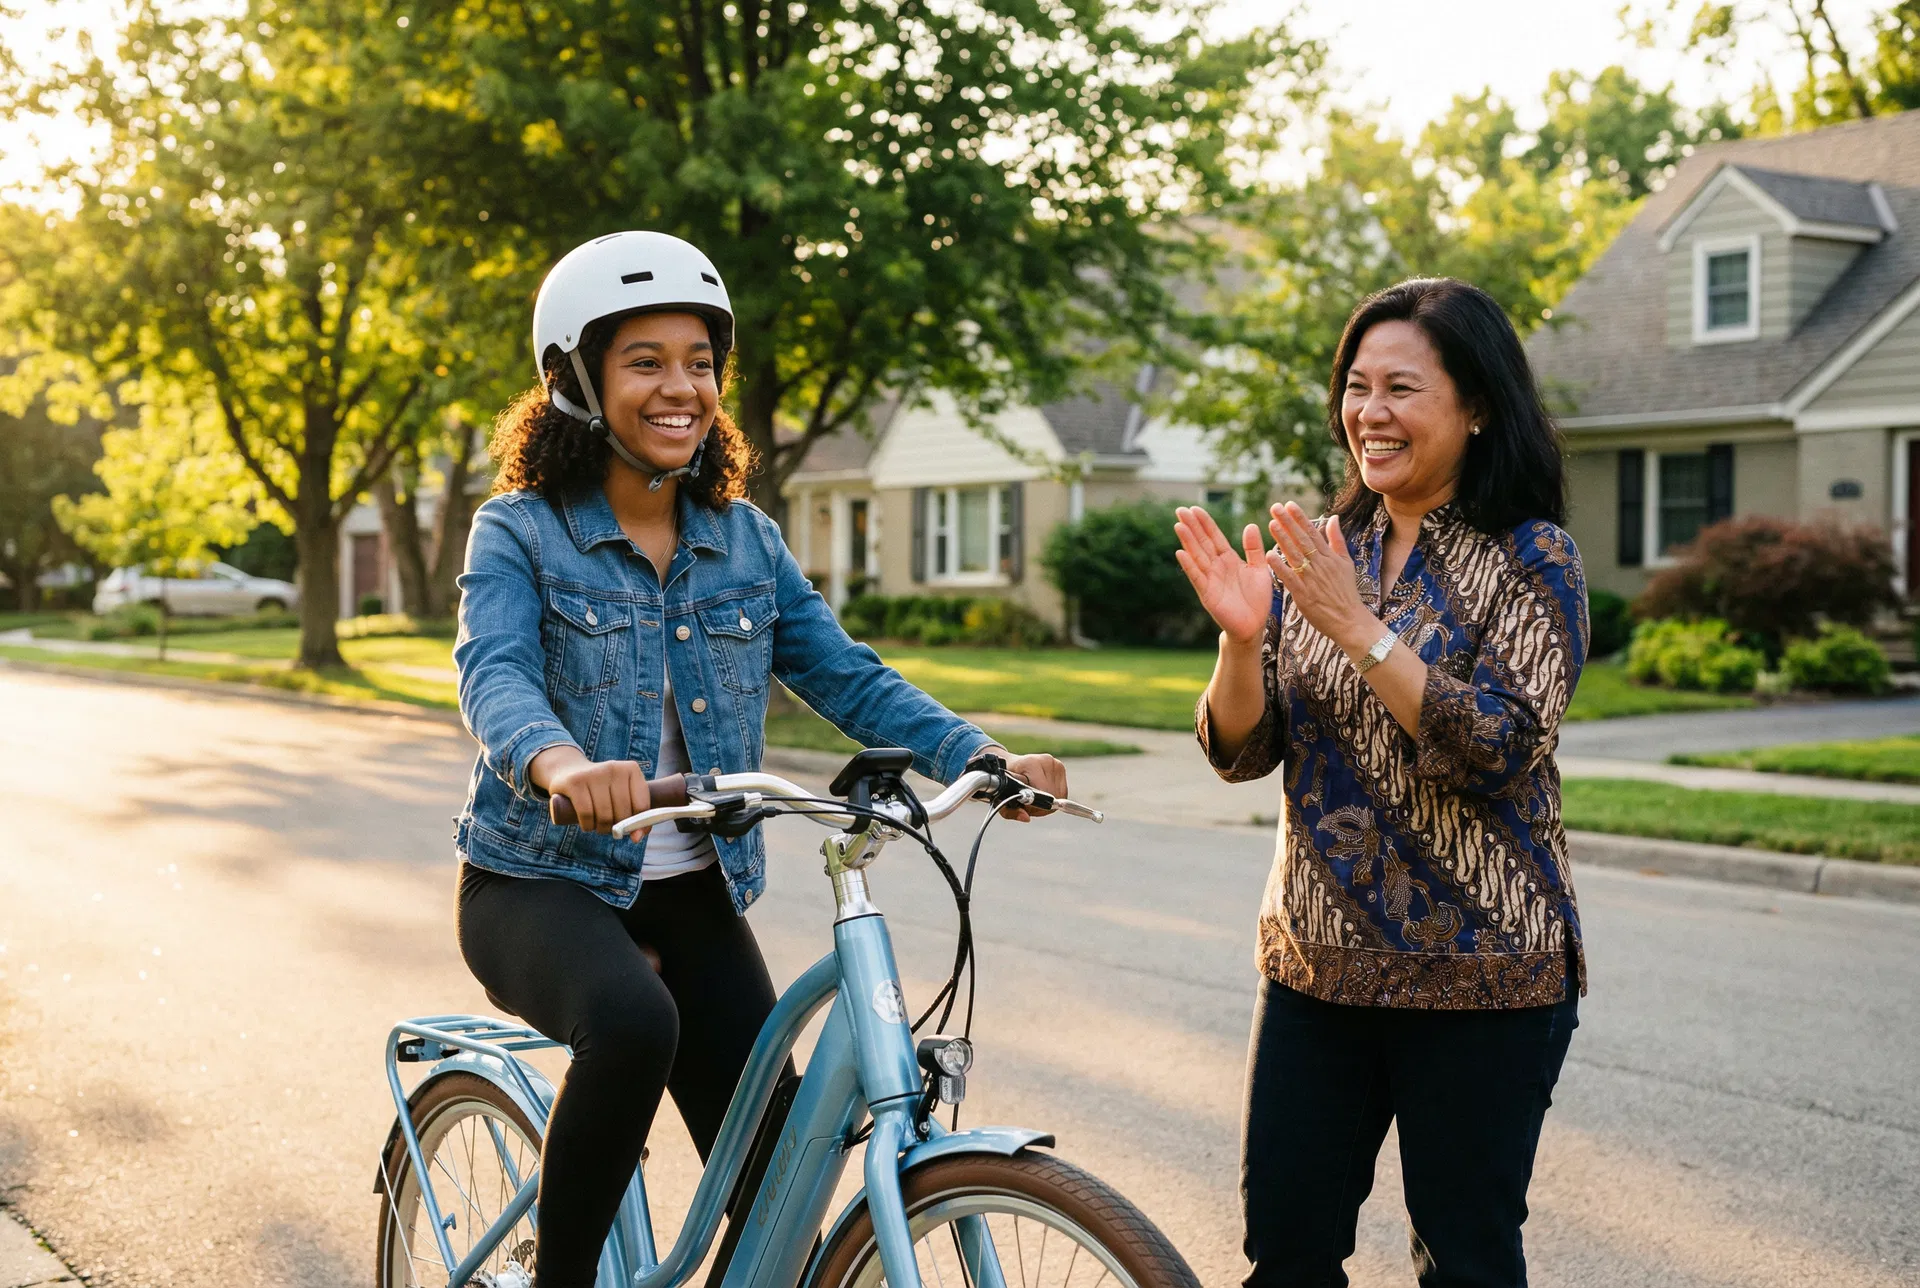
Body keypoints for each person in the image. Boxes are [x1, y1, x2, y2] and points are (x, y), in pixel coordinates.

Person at [451, 230, 1067, 1288]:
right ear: (576, 381)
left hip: (694, 891)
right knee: (634, 1021)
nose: (681, 386)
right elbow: (494, 675)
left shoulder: (746, 541)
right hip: (535, 883)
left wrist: (978, 751)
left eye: (699, 361)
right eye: (645, 360)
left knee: (782, 1172)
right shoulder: (519, 532)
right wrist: (558, 763)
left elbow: (845, 672)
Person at [1175, 277, 1588, 1288]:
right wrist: (1240, 640)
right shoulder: (1329, 549)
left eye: (1401, 387)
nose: (1370, 412)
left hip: (1486, 979)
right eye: (1357, 386)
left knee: (1466, 1262)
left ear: (1477, 404)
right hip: (1316, 970)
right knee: (1288, 1252)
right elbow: (1242, 747)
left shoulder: (1535, 560)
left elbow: (1496, 746)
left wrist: (1361, 627)